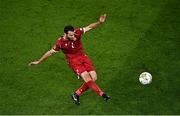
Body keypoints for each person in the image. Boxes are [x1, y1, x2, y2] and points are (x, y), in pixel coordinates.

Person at [29, 14, 110, 105]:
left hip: (83, 57)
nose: (73, 37)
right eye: (71, 35)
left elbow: (89, 27)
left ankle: (76, 94)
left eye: (73, 34)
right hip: (74, 62)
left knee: (94, 77)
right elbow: (50, 52)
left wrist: (99, 22)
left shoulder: (77, 32)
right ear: (65, 34)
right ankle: (102, 94)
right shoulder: (60, 43)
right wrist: (38, 61)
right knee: (87, 78)